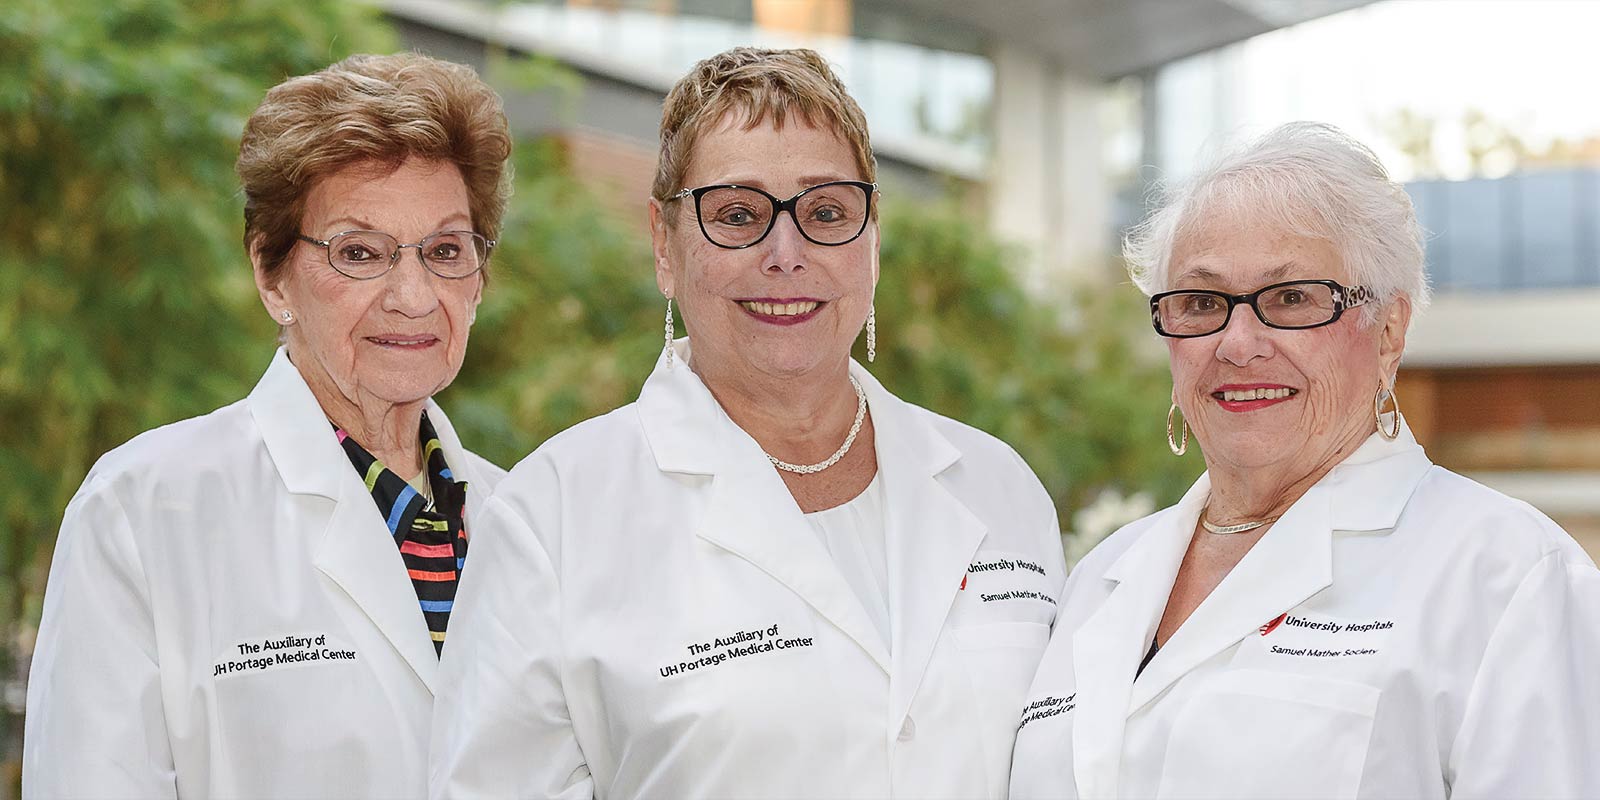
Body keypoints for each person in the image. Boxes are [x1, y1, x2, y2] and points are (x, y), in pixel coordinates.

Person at [431, 46, 1065, 799]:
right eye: (738, 215)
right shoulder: (553, 516)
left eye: (826, 212)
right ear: (664, 246)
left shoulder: (1000, 489)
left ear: (872, 241)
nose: (786, 254)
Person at [1009, 121, 1600, 799]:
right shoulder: (1102, 576)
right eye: (1201, 302)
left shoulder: (1509, 578)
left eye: (1291, 299)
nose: (1238, 344)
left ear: (1389, 331)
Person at [24, 53, 511, 797]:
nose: (413, 296)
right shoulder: (145, 509)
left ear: (478, 279)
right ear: (270, 272)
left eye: (445, 251)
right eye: (359, 253)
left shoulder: (529, 519)